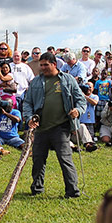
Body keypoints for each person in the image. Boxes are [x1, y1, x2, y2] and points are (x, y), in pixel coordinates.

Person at [22, 52, 86, 198]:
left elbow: (81, 100)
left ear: (54, 64)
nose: (43, 67)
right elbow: (27, 102)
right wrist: (30, 118)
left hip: (61, 127)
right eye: (41, 65)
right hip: (41, 128)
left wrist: (78, 110)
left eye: (46, 65)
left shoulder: (67, 80)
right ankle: (37, 188)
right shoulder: (36, 82)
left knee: (65, 159)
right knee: (38, 160)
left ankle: (72, 191)